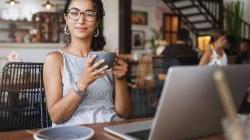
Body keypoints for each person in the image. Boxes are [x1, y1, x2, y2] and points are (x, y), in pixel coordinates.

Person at [43, 0, 131, 126]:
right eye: (74, 13)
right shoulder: (55, 59)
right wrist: (82, 84)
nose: (81, 20)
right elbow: (56, 117)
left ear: (97, 20)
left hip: (110, 130)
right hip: (75, 133)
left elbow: (124, 113)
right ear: (66, 18)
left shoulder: (107, 58)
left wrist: (121, 79)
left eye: (89, 14)